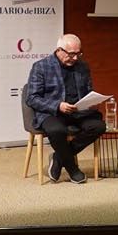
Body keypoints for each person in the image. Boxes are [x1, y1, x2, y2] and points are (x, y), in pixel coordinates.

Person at [24, 33, 105, 184]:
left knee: (98, 126)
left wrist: (91, 100)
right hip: (52, 112)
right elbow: (32, 98)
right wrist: (57, 105)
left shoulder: (82, 67)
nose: (75, 58)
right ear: (59, 50)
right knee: (57, 130)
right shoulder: (41, 66)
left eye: (78, 53)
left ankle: (59, 158)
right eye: (71, 54)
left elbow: (87, 91)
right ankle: (73, 169)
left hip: (78, 112)